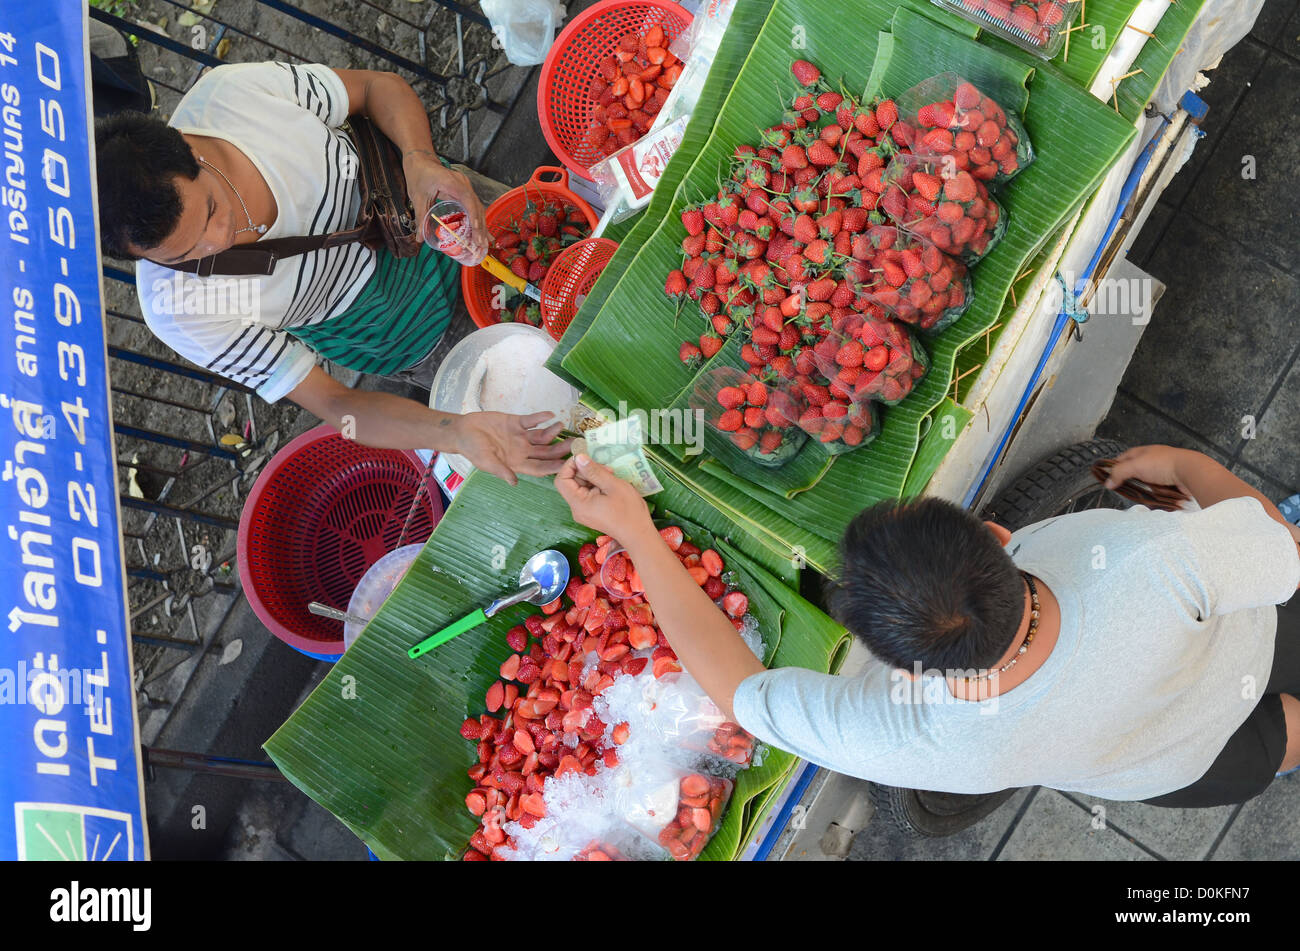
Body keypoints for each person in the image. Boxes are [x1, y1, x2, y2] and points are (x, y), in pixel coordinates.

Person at [555, 444, 1300, 807]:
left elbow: (738, 688)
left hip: (1169, 764)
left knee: (1279, 739)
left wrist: (637, 534)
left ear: (904, 668)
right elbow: (1281, 549)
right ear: (999, 536)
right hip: (1236, 636)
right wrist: (1187, 464)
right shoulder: (1153, 559)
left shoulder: (907, 735)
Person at [95, 62, 568, 484]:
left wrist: (419, 159)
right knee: (557, 405)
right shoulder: (178, 309)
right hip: (407, 333)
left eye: (212, 211)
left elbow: (376, 88)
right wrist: (458, 432)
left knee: (589, 274)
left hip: (448, 215)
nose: (216, 241)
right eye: (184, 255)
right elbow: (339, 409)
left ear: (189, 151)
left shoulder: (232, 98)